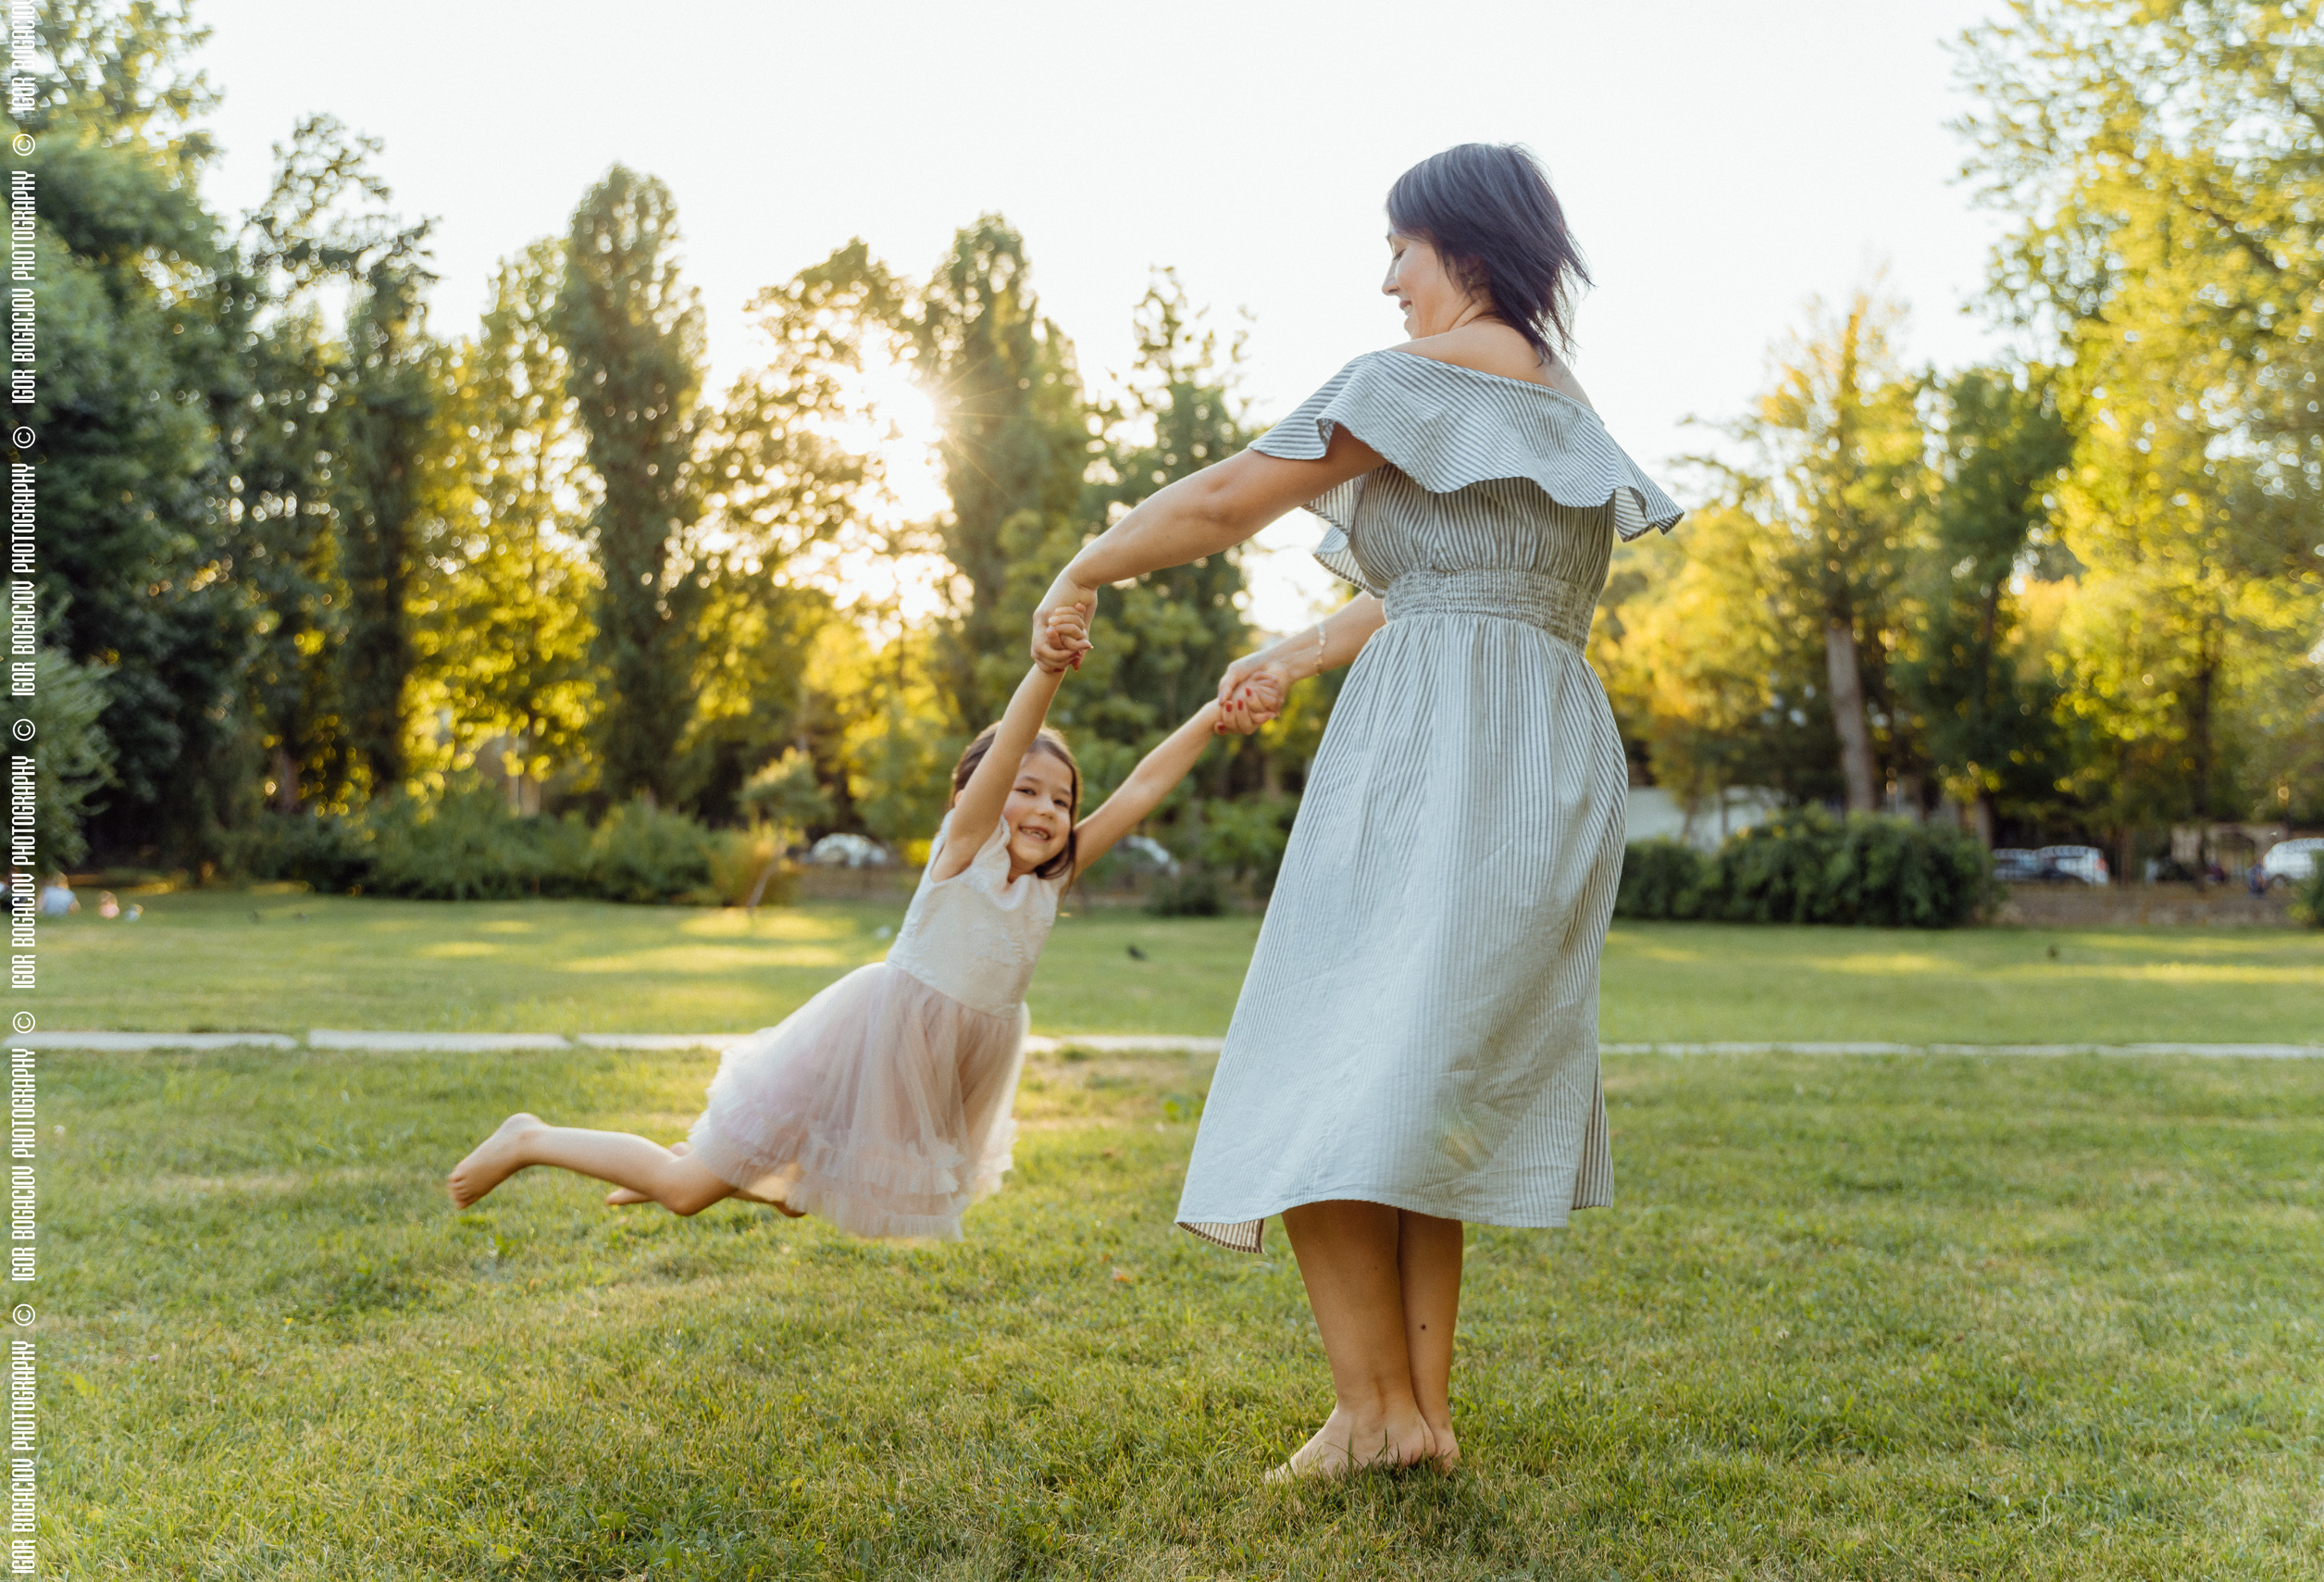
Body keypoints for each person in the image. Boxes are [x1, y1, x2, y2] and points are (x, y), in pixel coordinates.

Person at [1032, 143, 1682, 1481]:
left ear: (1466, 245)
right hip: (1535, 757)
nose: (1387, 280)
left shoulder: (1411, 381)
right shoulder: (1557, 399)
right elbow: (1447, 583)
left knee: (1319, 1066)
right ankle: (1408, 1418)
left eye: (1402, 248)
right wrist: (1293, 653)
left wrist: (1086, 563)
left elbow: (1222, 500)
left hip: (1430, 753)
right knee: (1412, 1080)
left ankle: (1375, 1412)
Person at [449, 610, 1229, 1239]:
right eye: (1026, 790)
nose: (1047, 810)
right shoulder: (963, 852)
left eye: (1061, 800)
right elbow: (1011, 747)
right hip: (874, 1035)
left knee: (794, 1197)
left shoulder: (1052, 882)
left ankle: (676, 1166)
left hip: (951, 1057)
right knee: (690, 1193)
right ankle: (532, 1137)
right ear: (975, 797)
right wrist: (1047, 669)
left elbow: (1139, 788)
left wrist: (1212, 714)